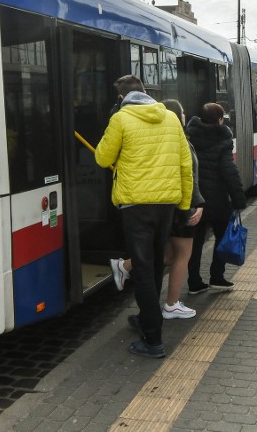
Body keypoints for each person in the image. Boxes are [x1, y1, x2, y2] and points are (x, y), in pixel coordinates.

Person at [95, 75, 193, 359]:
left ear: (121, 98)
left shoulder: (121, 119)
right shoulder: (171, 118)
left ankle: (153, 339)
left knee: (144, 270)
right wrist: (184, 206)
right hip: (166, 205)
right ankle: (147, 318)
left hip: (136, 205)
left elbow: (102, 158)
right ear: (147, 93)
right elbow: (185, 165)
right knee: (152, 265)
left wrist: (115, 122)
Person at [109, 99, 205, 319]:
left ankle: (126, 268)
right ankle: (169, 305)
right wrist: (194, 205)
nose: (183, 117)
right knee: (181, 255)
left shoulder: (159, 140)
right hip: (179, 207)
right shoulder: (178, 140)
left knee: (164, 254)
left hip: (164, 206)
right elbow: (188, 176)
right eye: (181, 113)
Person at [186, 103, 247, 294]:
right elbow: (230, 173)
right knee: (223, 237)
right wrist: (239, 200)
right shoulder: (223, 140)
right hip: (218, 201)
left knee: (195, 243)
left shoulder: (189, 136)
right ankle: (217, 277)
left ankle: (194, 282)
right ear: (220, 120)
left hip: (195, 200)